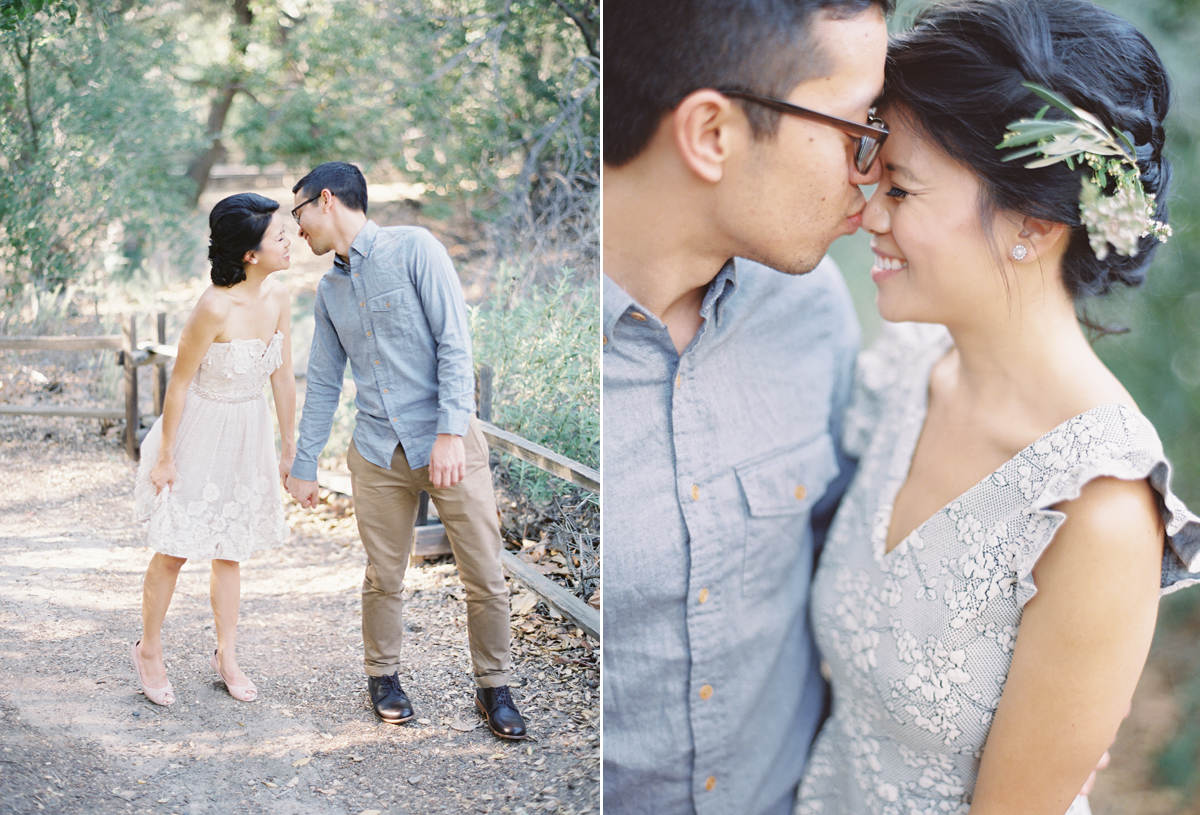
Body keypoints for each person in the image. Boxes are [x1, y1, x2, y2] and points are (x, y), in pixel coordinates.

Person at [795, 1, 1200, 812]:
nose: (868, 214)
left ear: (1033, 222)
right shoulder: (906, 375)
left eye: (903, 189)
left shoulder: (1099, 509)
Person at [602, 1, 892, 812]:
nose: (874, 169)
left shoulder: (811, 311)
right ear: (712, 134)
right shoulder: (536, 358)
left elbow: (849, 562)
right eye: (856, 127)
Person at [283, 161, 526, 740]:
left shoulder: (416, 249)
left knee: (485, 573)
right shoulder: (329, 288)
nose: (296, 230)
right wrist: (303, 461)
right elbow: (321, 380)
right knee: (384, 574)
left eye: (298, 215)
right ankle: (383, 677)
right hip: (376, 450)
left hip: (447, 443)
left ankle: (495, 686)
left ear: (325, 201)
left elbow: (454, 342)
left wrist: (447, 433)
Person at [131, 192, 295, 706]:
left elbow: (282, 375)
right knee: (176, 547)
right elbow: (178, 385)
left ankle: (226, 653)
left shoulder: (279, 299)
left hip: (248, 430)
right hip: (199, 428)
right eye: (278, 236)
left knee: (231, 549)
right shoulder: (213, 306)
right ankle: (150, 650)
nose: (289, 241)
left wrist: (290, 447)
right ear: (250, 254)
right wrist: (166, 457)